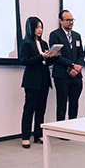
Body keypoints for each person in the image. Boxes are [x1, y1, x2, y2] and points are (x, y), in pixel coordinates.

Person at [19, 17, 59, 149]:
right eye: (37, 27)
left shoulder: (44, 43)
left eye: (41, 27)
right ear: (31, 28)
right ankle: (25, 136)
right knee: (29, 109)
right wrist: (41, 56)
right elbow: (24, 61)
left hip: (44, 79)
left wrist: (53, 56)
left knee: (41, 108)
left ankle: (38, 134)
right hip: (31, 80)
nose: (40, 30)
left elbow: (47, 63)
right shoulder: (25, 43)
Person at [49, 10, 84, 121]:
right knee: (62, 104)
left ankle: (72, 128)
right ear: (60, 21)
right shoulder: (55, 35)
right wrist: (73, 65)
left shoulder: (77, 36)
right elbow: (56, 56)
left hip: (76, 76)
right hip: (62, 75)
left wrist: (77, 67)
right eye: (68, 20)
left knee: (74, 104)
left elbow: (81, 54)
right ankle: (61, 129)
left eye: (72, 19)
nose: (71, 22)